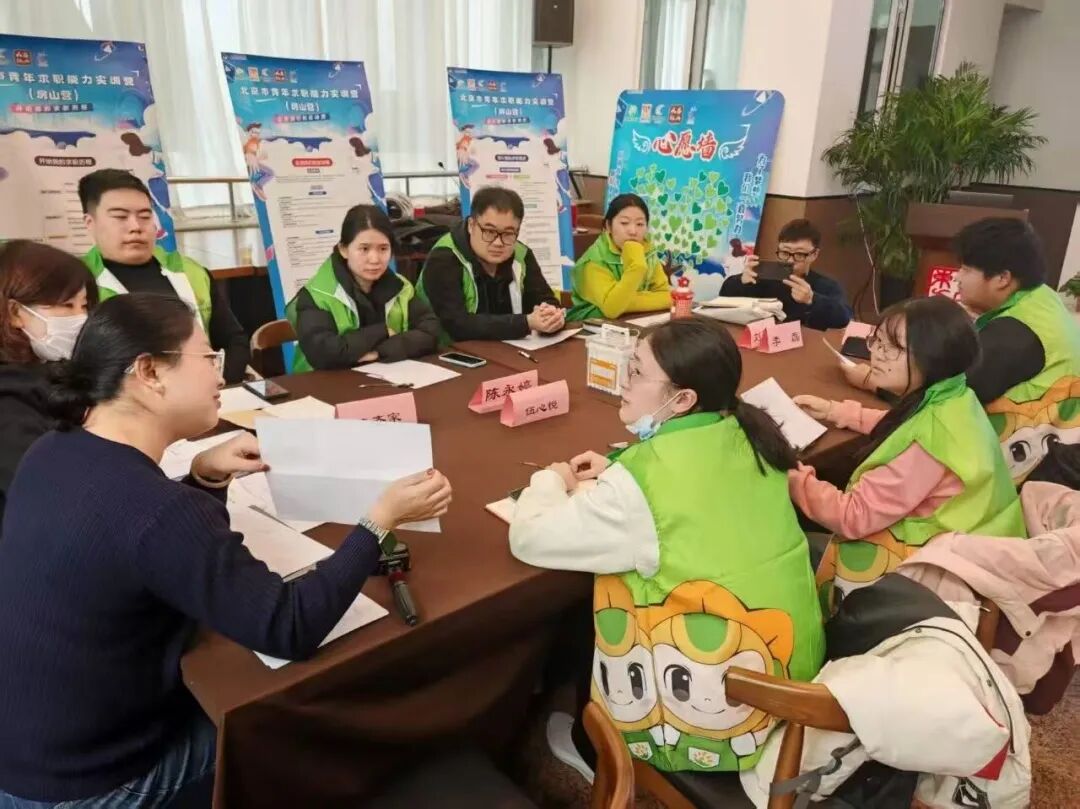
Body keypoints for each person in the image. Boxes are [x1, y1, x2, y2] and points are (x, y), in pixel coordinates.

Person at [0, 293, 452, 808]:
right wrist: (379, 520)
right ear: (149, 372)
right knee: (282, 724)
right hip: (88, 781)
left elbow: (128, 535)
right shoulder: (160, 511)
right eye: (207, 357)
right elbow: (288, 627)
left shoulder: (52, 449)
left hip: (24, 750)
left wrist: (202, 475)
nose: (220, 375)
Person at [509, 316, 824, 775]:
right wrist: (620, 467)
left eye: (637, 372)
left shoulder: (639, 483)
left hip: (711, 703)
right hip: (789, 674)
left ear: (683, 399)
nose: (624, 380)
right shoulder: (749, 433)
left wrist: (551, 479)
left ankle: (596, 751)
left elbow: (529, 537)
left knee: (608, 593)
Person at [790, 296, 1025, 614]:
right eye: (878, 341)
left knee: (794, 545)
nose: (876, 353)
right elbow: (908, 425)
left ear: (933, 358)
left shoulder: (930, 442)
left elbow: (852, 517)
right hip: (982, 538)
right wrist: (838, 412)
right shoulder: (955, 395)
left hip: (937, 571)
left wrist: (790, 472)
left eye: (894, 348)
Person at [78, 168, 251, 383]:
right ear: (90, 223)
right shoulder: (75, 284)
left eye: (145, 216)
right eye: (120, 217)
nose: (135, 227)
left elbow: (234, 340)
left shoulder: (189, 271)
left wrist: (217, 383)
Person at [0, 240, 96, 522]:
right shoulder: (8, 401)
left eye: (84, 306)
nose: (81, 318)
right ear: (15, 313)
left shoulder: (48, 371)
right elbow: (52, 494)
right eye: (66, 306)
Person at [286, 204, 440, 371]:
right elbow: (323, 354)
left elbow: (431, 333)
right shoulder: (318, 294)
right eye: (364, 249)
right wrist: (382, 331)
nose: (374, 259)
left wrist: (378, 352)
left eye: (383, 248)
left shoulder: (402, 288)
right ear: (344, 250)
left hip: (386, 376)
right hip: (322, 383)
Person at [416, 186, 564, 342]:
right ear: (471, 225)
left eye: (508, 233)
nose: (498, 243)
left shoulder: (521, 254)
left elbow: (545, 299)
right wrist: (526, 323)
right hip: (449, 351)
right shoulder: (444, 258)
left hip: (508, 349)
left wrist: (551, 316)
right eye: (489, 231)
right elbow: (457, 324)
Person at [720, 218, 852, 330]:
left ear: (814, 254)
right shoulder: (765, 276)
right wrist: (741, 281)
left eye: (799, 254)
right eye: (785, 253)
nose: (790, 260)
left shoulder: (826, 285)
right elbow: (724, 298)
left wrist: (812, 299)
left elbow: (844, 318)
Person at [567, 193, 671, 320]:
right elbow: (612, 309)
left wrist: (625, 302)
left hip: (635, 321)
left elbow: (667, 297)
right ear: (608, 226)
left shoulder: (647, 251)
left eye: (640, 224)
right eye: (624, 223)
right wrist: (637, 267)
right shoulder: (592, 262)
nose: (633, 231)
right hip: (588, 326)